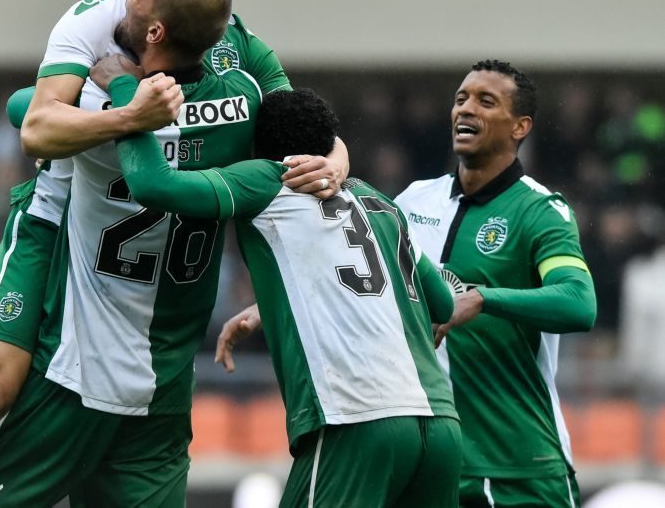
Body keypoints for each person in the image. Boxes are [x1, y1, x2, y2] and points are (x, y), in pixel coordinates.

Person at [0, 0, 348, 507]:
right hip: (57, 225)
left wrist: (336, 160)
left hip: (159, 297)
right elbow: (38, 124)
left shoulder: (232, 43)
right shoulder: (96, 19)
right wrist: (127, 119)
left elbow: (306, 130)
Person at [0, 0, 264, 506]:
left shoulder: (95, 105)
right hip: (164, 389)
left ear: (155, 31)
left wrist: (119, 91)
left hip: (76, 376)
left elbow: (25, 110)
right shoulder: (244, 102)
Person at [99, 72, 461, 507]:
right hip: (440, 425)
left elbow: (153, 184)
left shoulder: (269, 179)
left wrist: (126, 97)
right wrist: (266, 307)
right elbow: (441, 303)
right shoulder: (378, 202)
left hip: (357, 418)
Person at [394, 60, 596, 508]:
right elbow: (365, 278)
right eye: (461, 98)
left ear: (520, 126)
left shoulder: (542, 211)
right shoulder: (412, 201)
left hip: (519, 467)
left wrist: (483, 298)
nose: (466, 110)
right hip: (433, 462)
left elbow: (579, 304)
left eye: (487, 102)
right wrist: (266, 312)